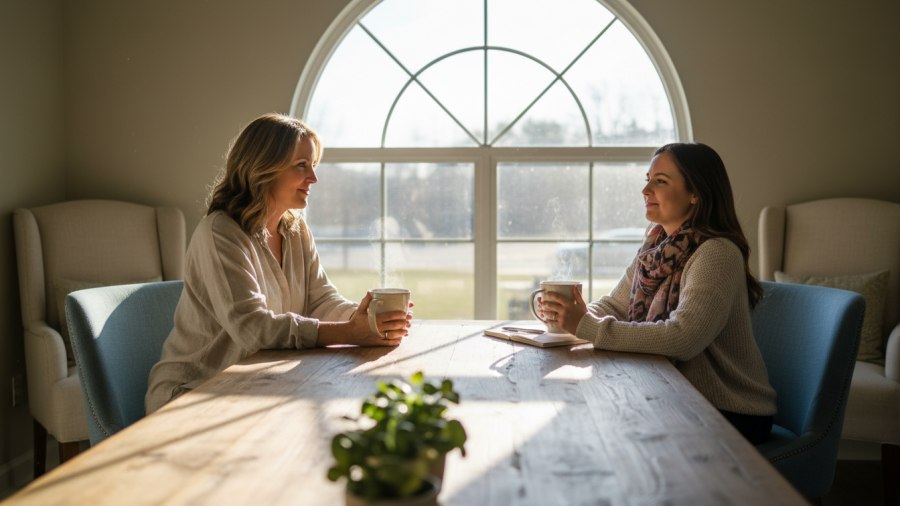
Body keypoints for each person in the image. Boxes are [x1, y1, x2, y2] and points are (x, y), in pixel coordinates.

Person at [145, 113, 412, 415]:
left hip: (256, 386)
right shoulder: (220, 233)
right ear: (262, 168)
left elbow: (321, 298)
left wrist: (368, 320)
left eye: (313, 165)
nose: (313, 177)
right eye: (302, 165)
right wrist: (348, 333)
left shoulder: (296, 230)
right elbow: (253, 328)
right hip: (194, 394)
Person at [539, 142, 776, 444]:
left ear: (696, 193)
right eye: (647, 179)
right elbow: (615, 304)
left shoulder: (717, 253)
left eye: (660, 181)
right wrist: (566, 321)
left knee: (603, 425)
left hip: (730, 411)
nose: (646, 190)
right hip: (675, 395)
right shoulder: (655, 246)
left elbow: (682, 338)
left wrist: (585, 326)